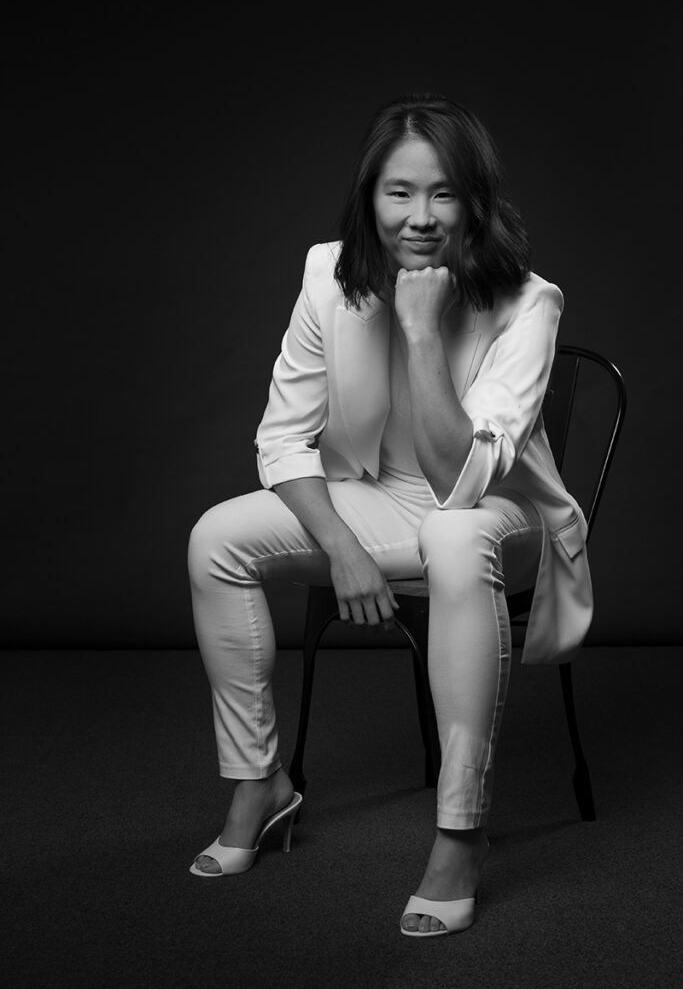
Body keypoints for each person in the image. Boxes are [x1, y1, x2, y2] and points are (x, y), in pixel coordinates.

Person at [187, 93, 593, 938]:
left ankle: (460, 829)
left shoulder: (528, 302)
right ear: (368, 197)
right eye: (398, 192)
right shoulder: (326, 277)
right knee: (215, 538)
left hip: (499, 518)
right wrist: (341, 547)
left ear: (475, 202)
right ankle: (260, 782)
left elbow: (462, 483)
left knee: (451, 532)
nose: (419, 217)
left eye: (443, 193)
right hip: (373, 504)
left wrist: (417, 330)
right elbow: (282, 439)